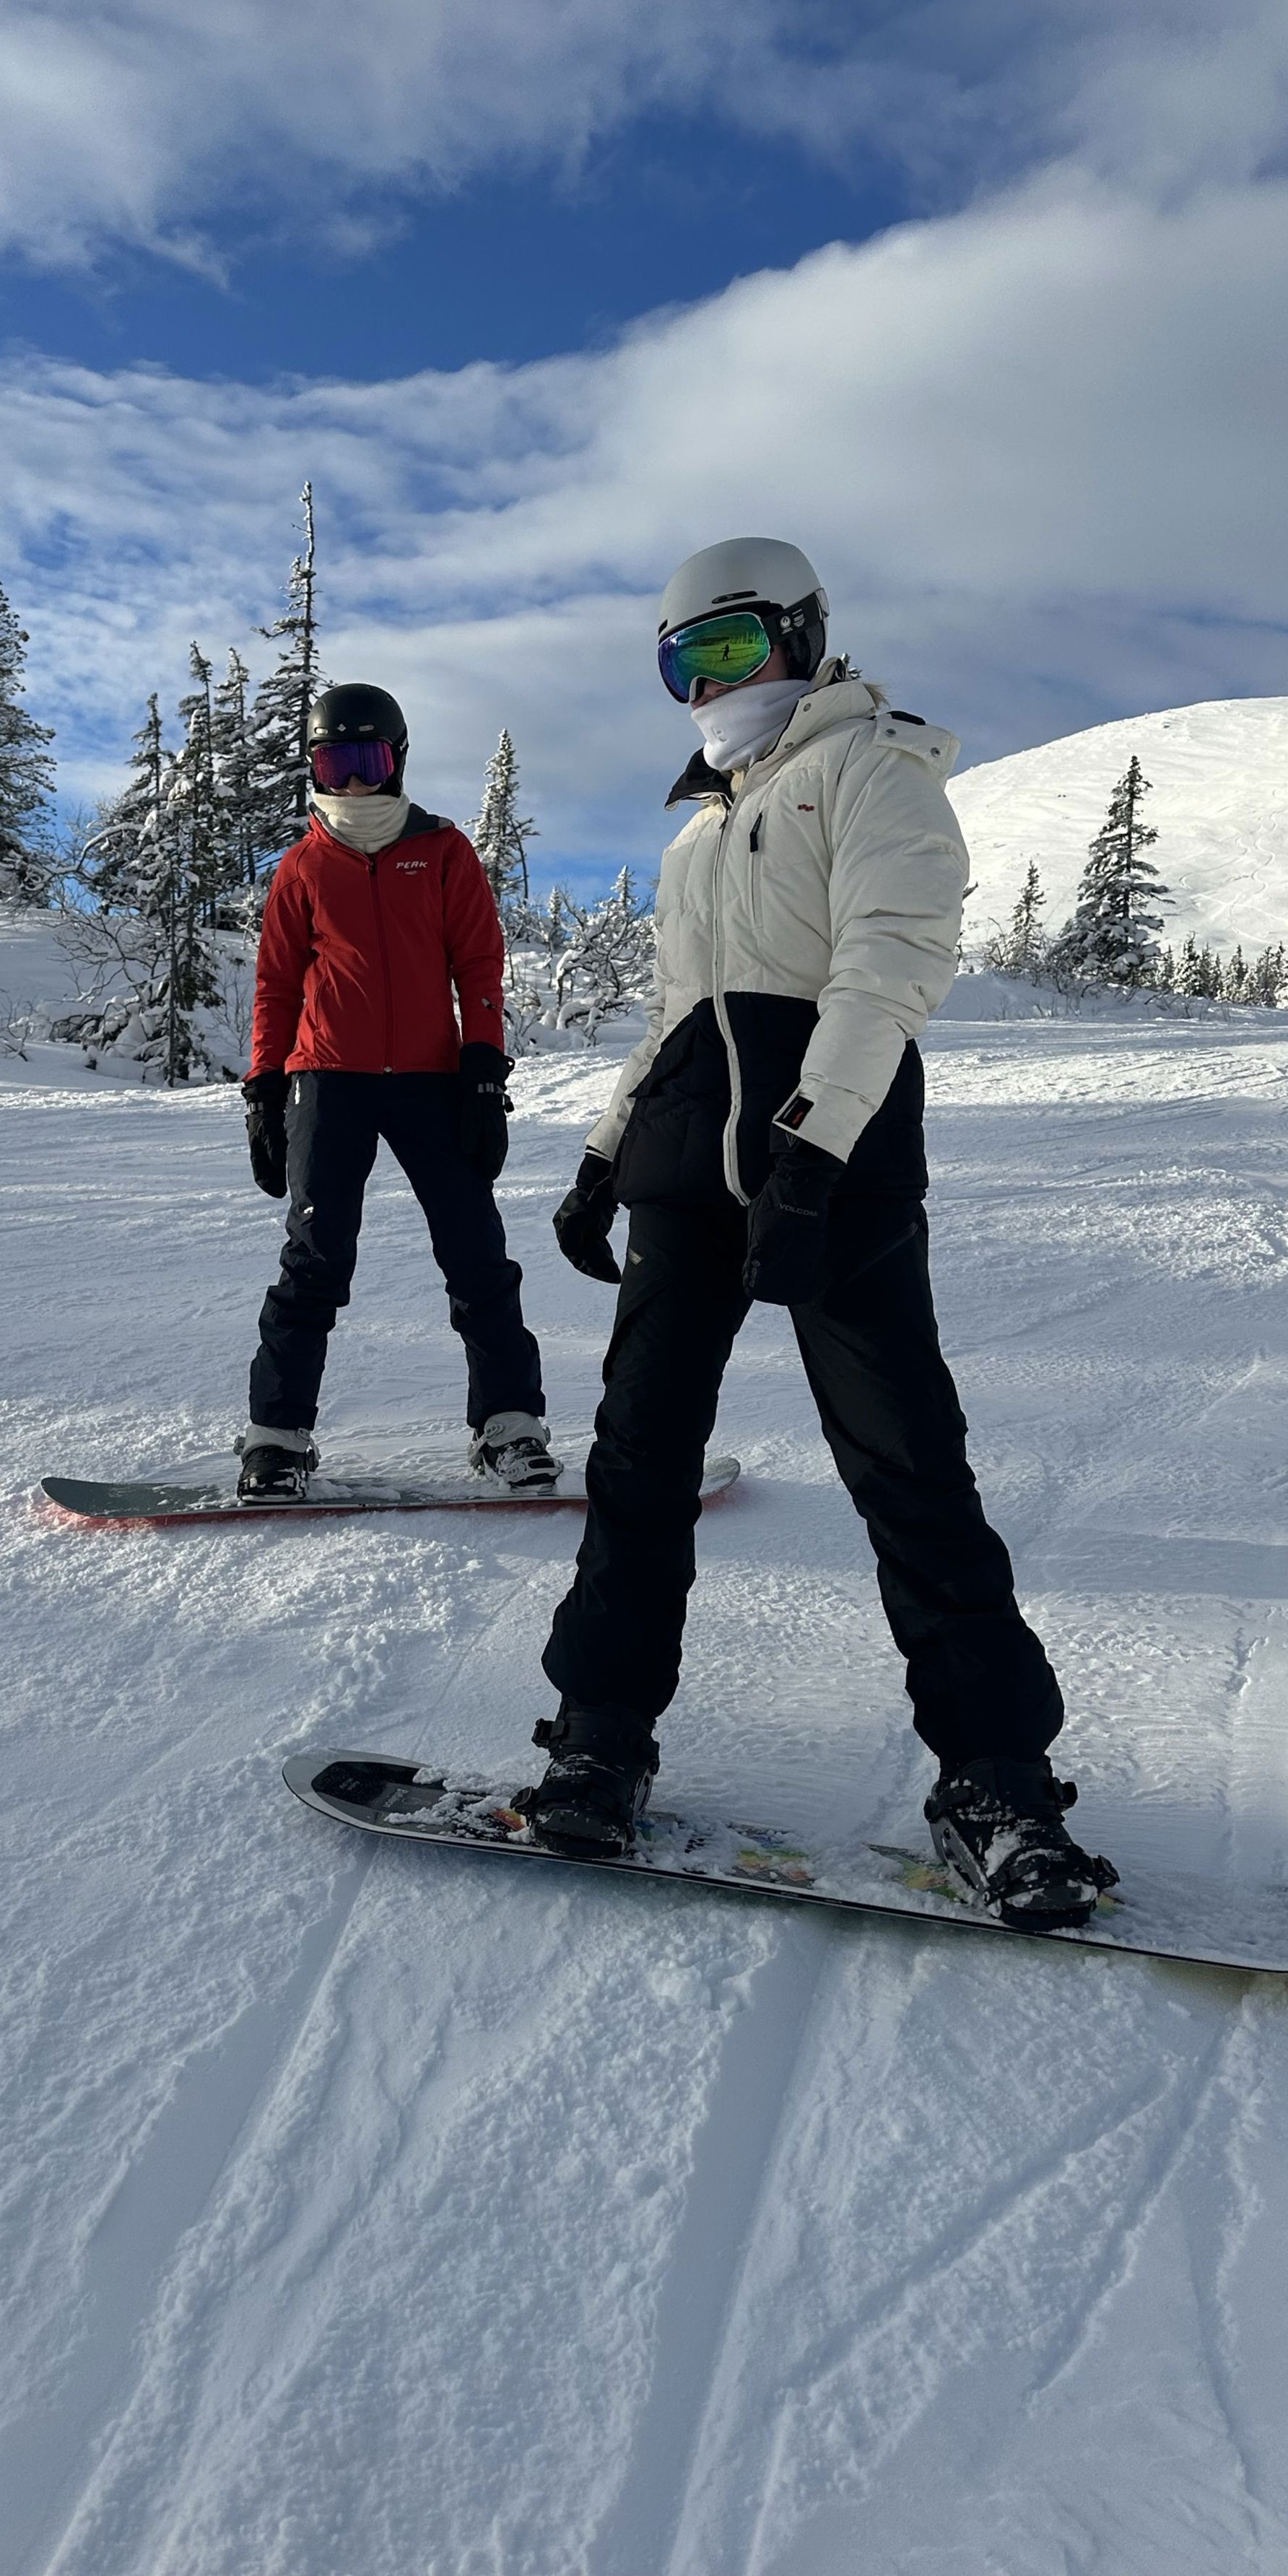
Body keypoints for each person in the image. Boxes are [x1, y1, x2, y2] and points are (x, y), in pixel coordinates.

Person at [530, 539, 1115, 1929]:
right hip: (684, 1184)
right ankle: (599, 1731)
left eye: (731, 650)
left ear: (801, 636)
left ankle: (996, 1781)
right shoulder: (691, 836)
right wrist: (603, 1156)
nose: (708, 685)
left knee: (906, 1462)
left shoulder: (875, 774)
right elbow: (680, 1021)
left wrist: (810, 1152)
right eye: (684, 663)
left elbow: (886, 970)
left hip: (833, 1180)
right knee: (636, 1463)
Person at [238, 682, 558, 1503]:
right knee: (313, 1264)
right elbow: (276, 986)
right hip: (328, 1082)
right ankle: (276, 1438)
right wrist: (265, 1089)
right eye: (332, 762)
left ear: (397, 761)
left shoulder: (444, 852)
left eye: (367, 761)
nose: (350, 783)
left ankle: (510, 1424)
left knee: (476, 1254)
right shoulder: (303, 865)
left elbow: (477, 963)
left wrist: (484, 1069)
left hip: (432, 1081)